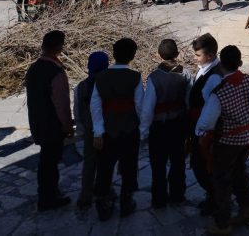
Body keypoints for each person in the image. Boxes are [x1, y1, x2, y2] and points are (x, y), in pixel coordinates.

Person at [201, 45, 249, 234]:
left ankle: (222, 222)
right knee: (240, 172)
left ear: (221, 66)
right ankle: (248, 207)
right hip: (247, 136)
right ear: (240, 62)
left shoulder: (220, 92)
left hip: (227, 140)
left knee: (222, 180)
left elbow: (206, 122)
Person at [90, 38, 144, 221]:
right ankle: (126, 202)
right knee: (129, 167)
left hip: (107, 131)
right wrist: (142, 129)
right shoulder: (135, 77)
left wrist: (98, 131)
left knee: (104, 168)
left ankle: (103, 204)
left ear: (113, 54)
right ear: (133, 56)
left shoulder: (101, 77)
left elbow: (95, 106)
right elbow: (140, 106)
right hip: (130, 130)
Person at [25, 30, 74, 212]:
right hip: (53, 124)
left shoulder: (34, 68)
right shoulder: (55, 71)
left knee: (46, 161)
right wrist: (67, 125)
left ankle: (47, 193)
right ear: (59, 47)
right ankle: (48, 198)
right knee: (50, 163)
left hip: (38, 121)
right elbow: (61, 103)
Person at [140, 39, 191, 209]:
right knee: (178, 162)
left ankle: (159, 199)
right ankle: (177, 195)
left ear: (158, 55)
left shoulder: (154, 77)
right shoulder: (186, 74)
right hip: (179, 125)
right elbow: (189, 100)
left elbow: (148, 108)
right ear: (177, 54)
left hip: (159, 128)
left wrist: (143, 131)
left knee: (158, 164)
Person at [187, 33, 225, 215]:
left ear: (210, 55)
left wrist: (203, 132)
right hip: (197, 123)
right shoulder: (205, 69)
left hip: (205, 129)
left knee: (202, 165)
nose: (195, 58)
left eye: (198, 55)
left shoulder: (214, 77)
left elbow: (212, 107)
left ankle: (215, 198)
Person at [73, 51, 109, 209]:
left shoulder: (81, 87)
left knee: (89, 163)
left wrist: (80, 129)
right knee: (105, 163)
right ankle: (105, 191)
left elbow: (77, 111)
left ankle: (85, 195)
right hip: (107, 130)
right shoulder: (108, 85)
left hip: (89, 131)